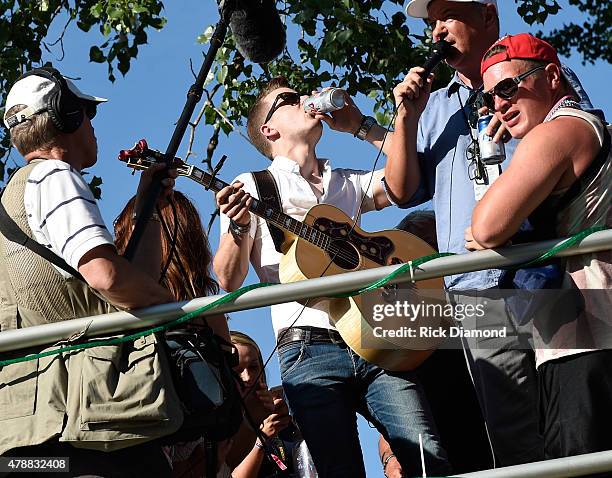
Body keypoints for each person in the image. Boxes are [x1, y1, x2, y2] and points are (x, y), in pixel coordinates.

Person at [373, 0, 601, 467]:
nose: (437, 30)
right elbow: (401, 191)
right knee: (513, 437)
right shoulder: (434, 106)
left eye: (447, 16)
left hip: (546, 276)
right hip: (473, 289)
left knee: (576, 424)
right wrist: (406, 116)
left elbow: (580, 157)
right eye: (430, 22)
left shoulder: (537, 81)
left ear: (487, 16)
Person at [212, 77, 450, 477]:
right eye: (289, 100)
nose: (305, 100)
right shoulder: (252, 185)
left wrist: (361, 126)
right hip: (307, 349)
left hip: (377, 332)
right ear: (269, 129)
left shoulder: (345, 181)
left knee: (428, 457)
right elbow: (228, 280)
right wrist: (237, 227)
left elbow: (410, 183)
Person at [0, 67, 182, 475]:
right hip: (90, 427)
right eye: (87, 113)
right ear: (68, 117)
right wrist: (180, 314)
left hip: (24, 443)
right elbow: (109, 278)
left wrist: (147, 210)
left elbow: (130, 286)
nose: (93, 126)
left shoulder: (13, 197)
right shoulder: (56, 175)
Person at [468, 33, 612, 460]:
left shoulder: (557, 133)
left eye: (509, 87)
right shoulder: (595, 126)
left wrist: (490, 231)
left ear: (551, 77)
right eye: (490, 95)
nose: (498, 104)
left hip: (586, 335)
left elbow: (487, 225)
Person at [114, 191, 232, 477]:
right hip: (176, 447)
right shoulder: (206, 312)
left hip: (115, 435)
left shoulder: (115, 301)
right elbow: (223, 406)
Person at [221, 331, 293, 478]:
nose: (247, 377)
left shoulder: (276, 414)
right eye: (238, 369)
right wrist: (261, 438)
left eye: (253, 367)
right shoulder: (221, 422)